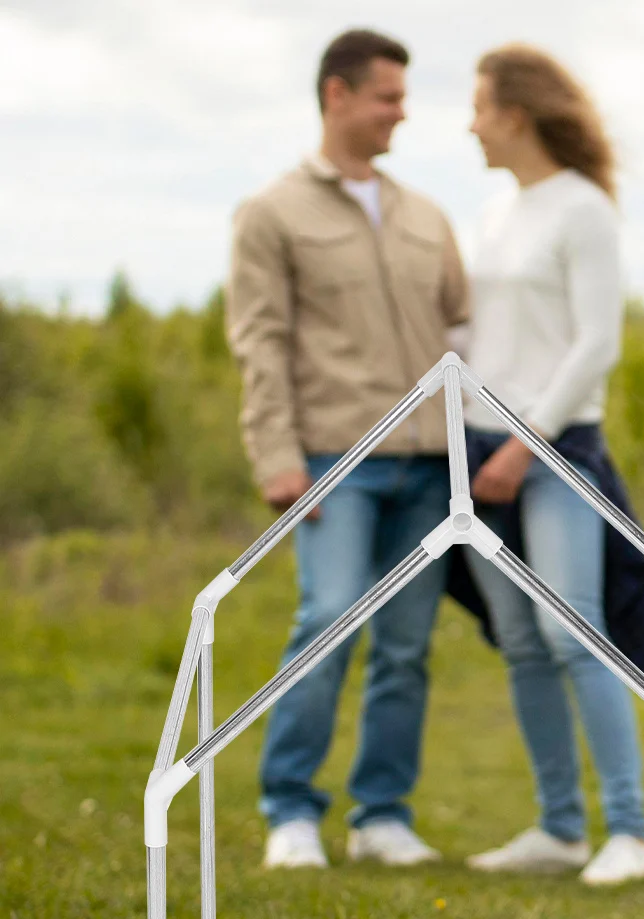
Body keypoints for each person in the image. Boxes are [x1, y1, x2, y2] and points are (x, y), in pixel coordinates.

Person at [228, 29, 468, 870]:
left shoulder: (425, 215)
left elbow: (462, 331)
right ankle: (290, 811)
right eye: (388, 97)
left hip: (431, 468)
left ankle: (382, 814)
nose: (401, 112)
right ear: (337, 95)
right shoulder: (272, 214)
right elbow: (259, 341)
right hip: (334, 462)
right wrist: (275, 457)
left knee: (405, 646)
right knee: (327, 622)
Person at [457, 45, 644, 886]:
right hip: (474, 450)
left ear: (516, 111)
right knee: (518, 639)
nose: (469, 123)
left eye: (478, 106)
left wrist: (522, 443)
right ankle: (558, 827)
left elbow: (596, 345)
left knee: (574, 630)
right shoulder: (497, 211)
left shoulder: (583, 211)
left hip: (551, 451)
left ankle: (631, 834)